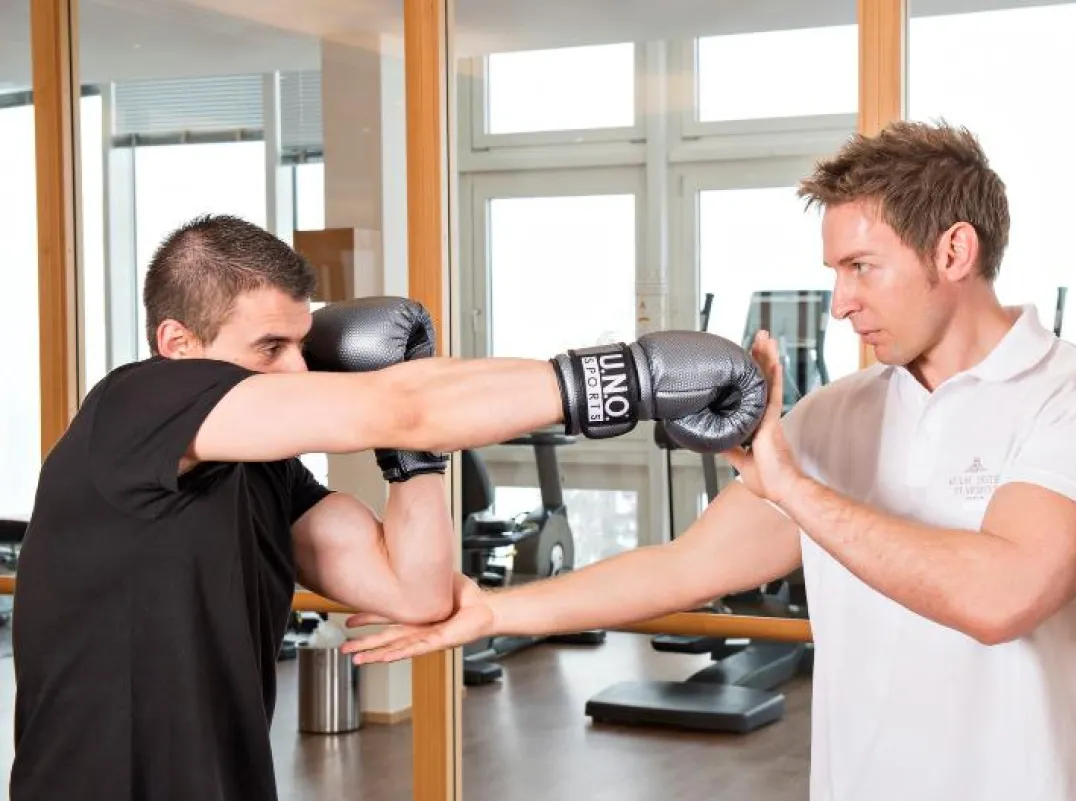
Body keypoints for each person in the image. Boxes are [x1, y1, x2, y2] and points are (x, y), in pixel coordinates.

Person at [342, 121, 1076, 801]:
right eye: (834, 272)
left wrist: (792, 487)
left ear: (953, 252)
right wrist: (493, 611)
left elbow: (1002, 595)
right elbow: (686, 566)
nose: (841, 301)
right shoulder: (839, 415)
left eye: (861, 267)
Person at [9, 214, 767, 801]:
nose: (300, 369)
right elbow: (401, 407)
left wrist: (415, 459)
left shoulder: (262, 470)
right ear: (176, 342)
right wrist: (629, 377)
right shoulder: (132, 403)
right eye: (270, 347)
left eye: (303, 344)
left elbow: (414, 589)